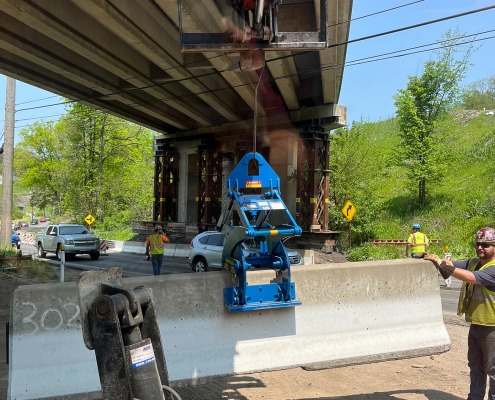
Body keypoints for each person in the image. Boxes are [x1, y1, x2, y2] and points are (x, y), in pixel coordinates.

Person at [425, 227, 495, 400]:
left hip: (492, 328)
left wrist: (443, 265)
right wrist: (435, 261)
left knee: (493, 370)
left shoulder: (493, 268)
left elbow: (471, 277)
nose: (480, 248)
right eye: (478, 244)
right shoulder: (472, 262)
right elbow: (449, 268)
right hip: (476, 325)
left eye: (485, 245)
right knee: (476, 367)